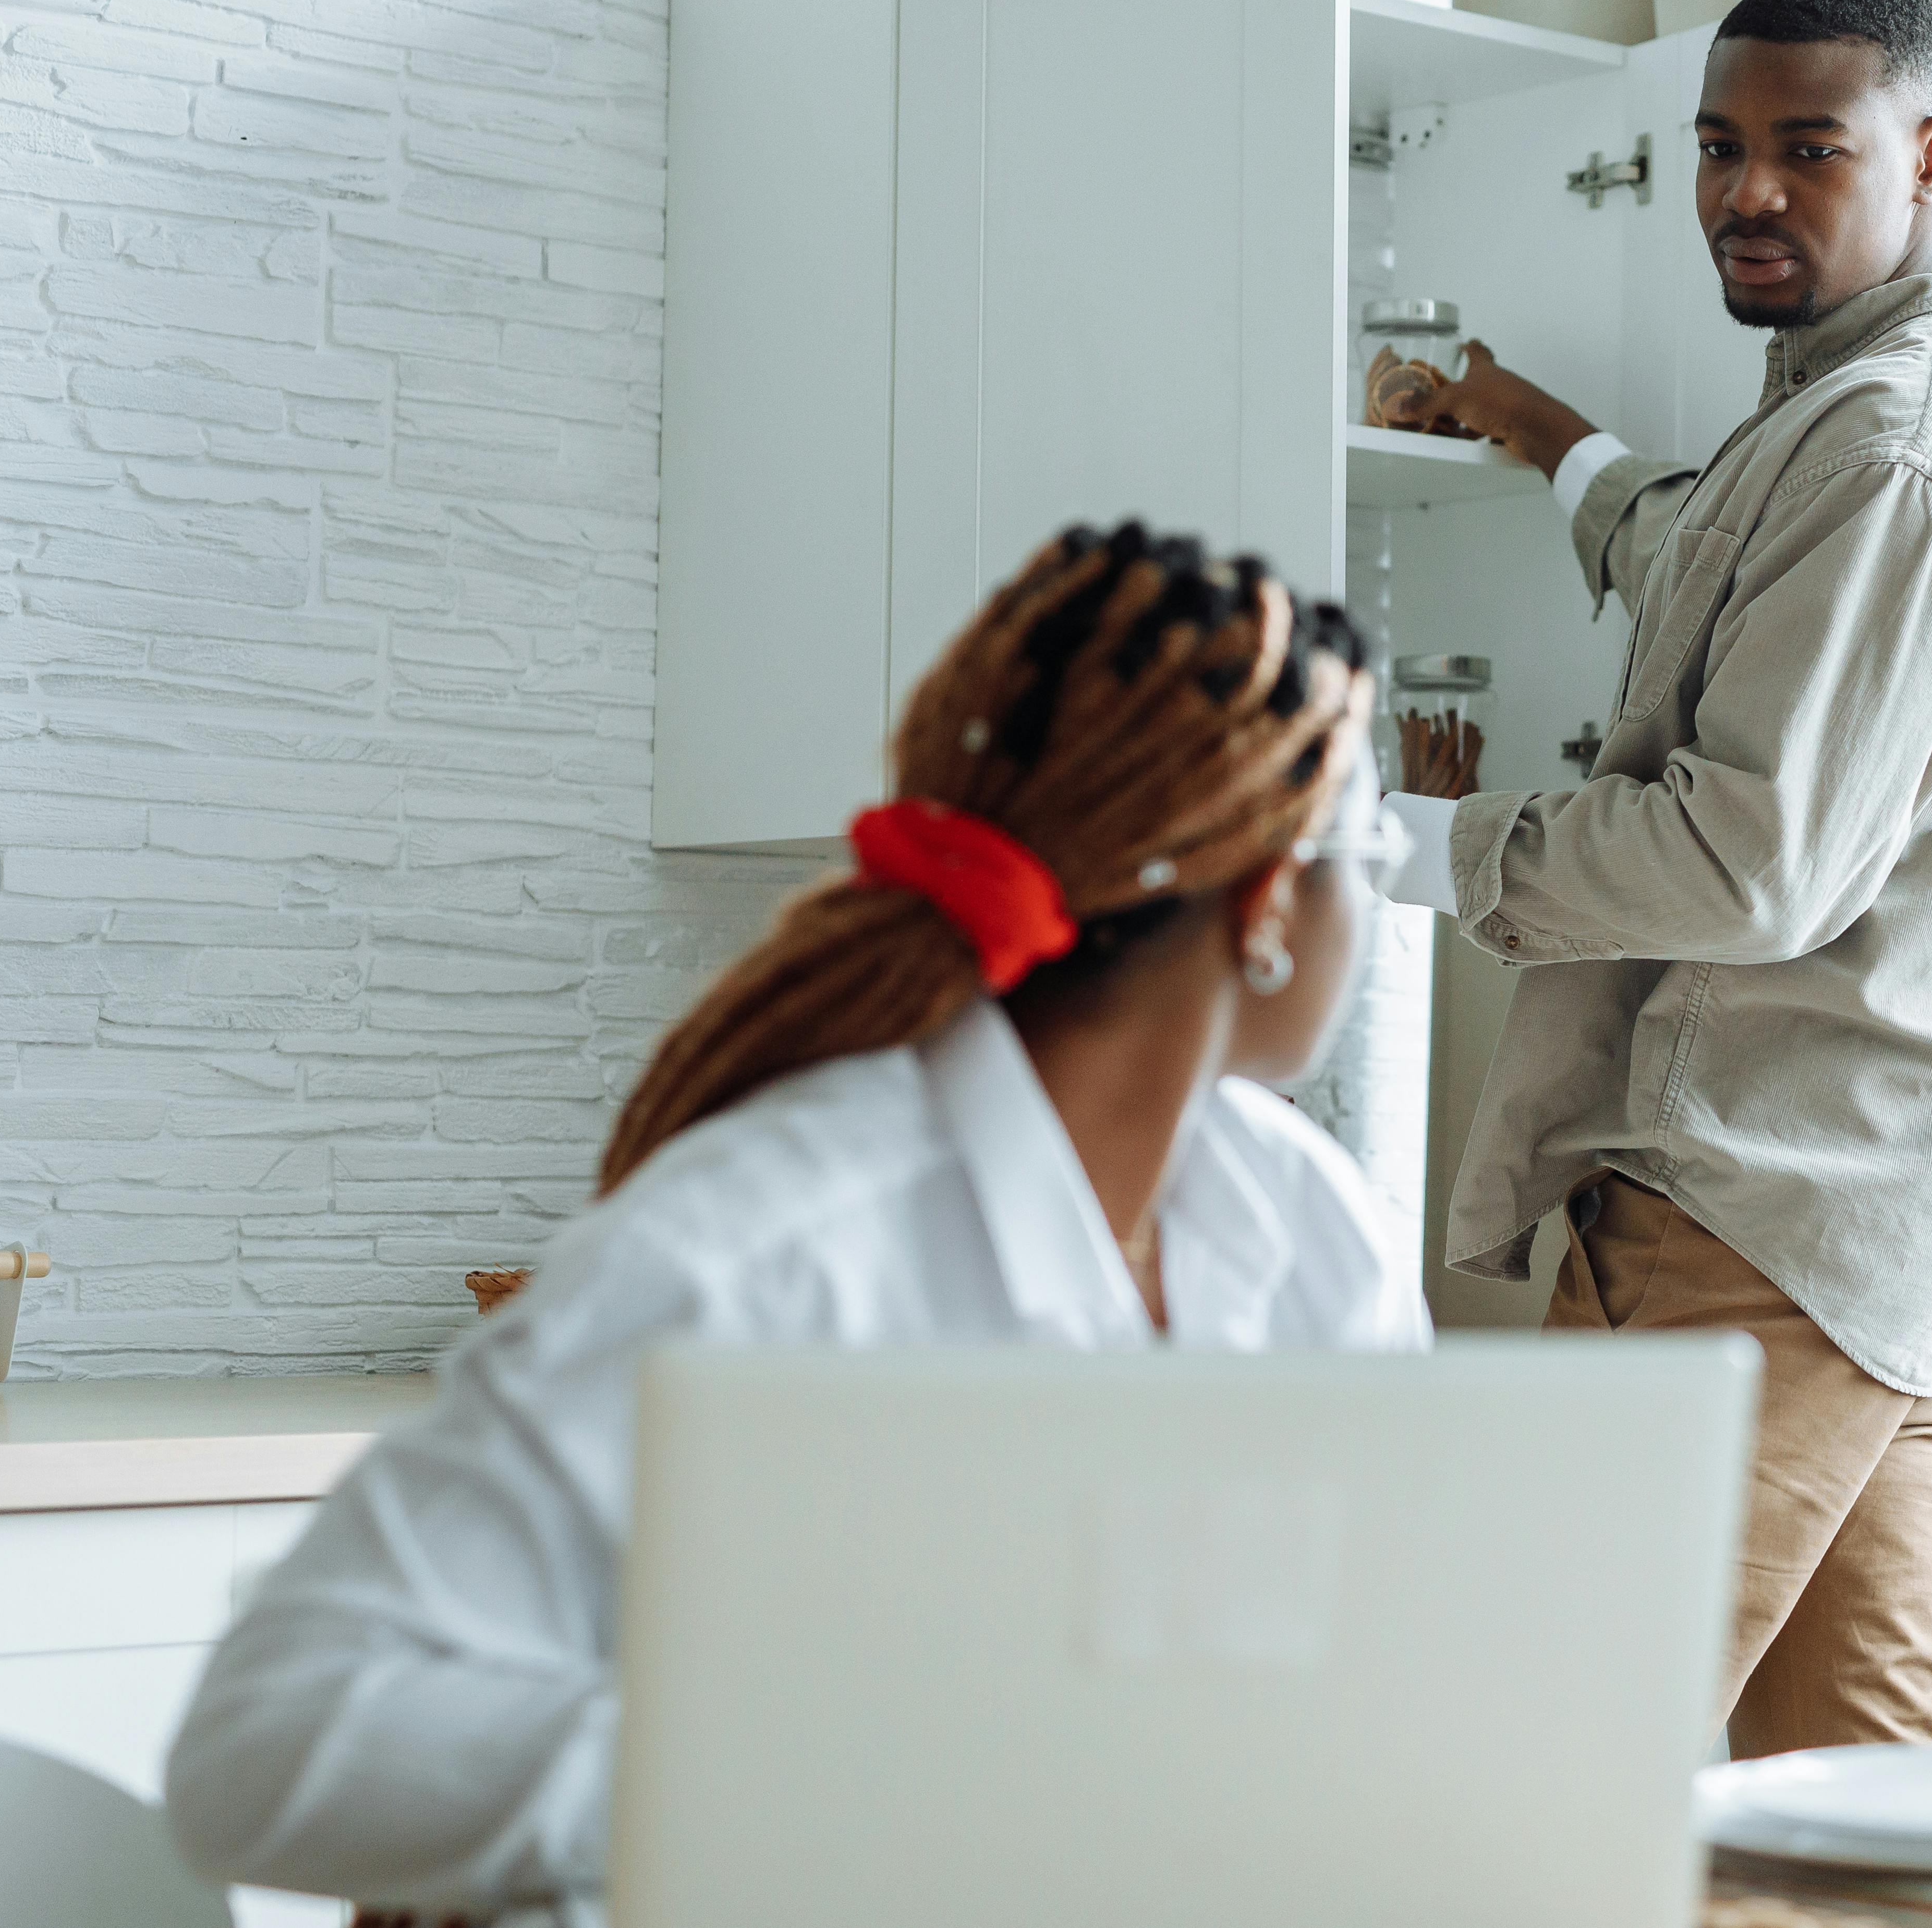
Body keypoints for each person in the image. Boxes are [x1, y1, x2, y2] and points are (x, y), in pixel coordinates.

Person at [164, 524, 1425, 1923]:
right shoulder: (751, 1254)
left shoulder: (1310, 1230)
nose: (1377, 899)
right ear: (1266, 905)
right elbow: (260, 1752)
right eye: (1374, 852)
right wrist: (833, 1782)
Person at [1380, 0, 1932, 1756]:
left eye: (1810, 147)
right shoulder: (1864, 410)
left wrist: (1387, 838)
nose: (1747, 193)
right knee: (1851, 1822)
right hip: (1891, 1226)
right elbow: (1706, 555)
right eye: (1719, 146)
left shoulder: (1902, 438)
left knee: (1524, 1767)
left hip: (1751, 1221)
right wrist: (1541, 435)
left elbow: (1751, 860)